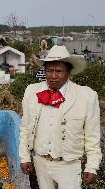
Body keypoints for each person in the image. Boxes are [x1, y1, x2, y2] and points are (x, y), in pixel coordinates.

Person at [19, 45, 102, 189]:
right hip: (40, 162)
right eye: (49, 70)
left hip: (69, 165)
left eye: (59, 71)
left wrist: (92, 166)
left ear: (69, 72)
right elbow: (25, 128)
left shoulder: (87, 96)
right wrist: (25, 157)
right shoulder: (31, 91)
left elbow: (92, 135)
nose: (53, 75)